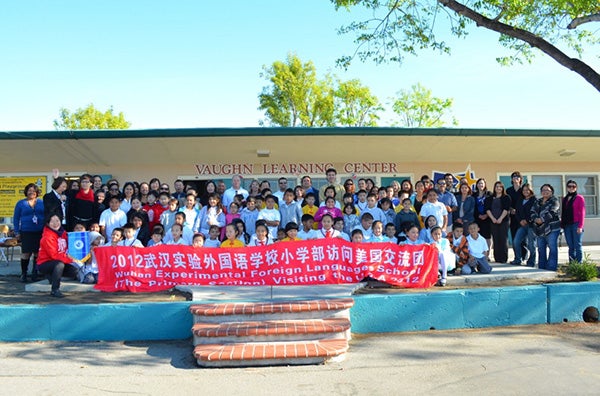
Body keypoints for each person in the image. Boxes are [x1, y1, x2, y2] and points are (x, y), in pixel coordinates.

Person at [36, 215, 82, 298]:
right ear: (48, 223)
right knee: (59, 265)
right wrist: (70, 260)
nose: (55, 223)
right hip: (45, 263)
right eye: (52, 221)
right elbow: (54, 255)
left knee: (74, 271)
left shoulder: (63, 233)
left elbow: (71, 245)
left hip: (59, 260)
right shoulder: (47, 237)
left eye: (57, 221)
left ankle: (51, 276)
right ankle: (55, 289)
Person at [13, 183, 45, 282]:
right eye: (29, 190)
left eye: (33, 191)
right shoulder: (21, 203)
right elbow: (16, 218)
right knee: (26, 253)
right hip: (26, 231)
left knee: (37, 253)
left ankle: (34, 273)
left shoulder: (41, 202)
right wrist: (17, 231)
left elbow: (46, 215)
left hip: (39, 231)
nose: (31, 192)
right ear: (26, 192)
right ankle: (24, 273)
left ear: (37, 192)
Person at [531, 184, 561, 271]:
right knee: (541, 249)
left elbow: (552, 212)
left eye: (547, 190)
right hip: (539, 229)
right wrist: (535, 219)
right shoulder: (538, 201)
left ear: (551, 191)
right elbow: (532, 211)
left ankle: (551, 268)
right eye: (543, 190)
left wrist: (542, 219)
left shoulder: (555, 201)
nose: (545, 192)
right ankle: (542, 267)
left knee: (552, 248)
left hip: (552, 229)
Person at [510, 183, 537, 266]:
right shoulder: (520, 200)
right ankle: (518, 259)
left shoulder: (534, 200)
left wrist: (528, 220)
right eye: (524, 190)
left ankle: (531, 261)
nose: (525, 191)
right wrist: (520, 220)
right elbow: (517, 212)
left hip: (531, 225)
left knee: (531, 245)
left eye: (527, 190)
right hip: (521, 225)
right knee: (516, 241)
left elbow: (535, 212)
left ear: (530, 191)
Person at [485, 181, 511, 263]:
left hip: (504, 221)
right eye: (497, 186)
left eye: (500, 187)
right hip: (493, 221)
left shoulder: (506, 197)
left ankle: (503, 258)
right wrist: (493, 218)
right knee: (495, 239)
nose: (498, 188)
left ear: (502, 188)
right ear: (494, 188)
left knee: (503, 239)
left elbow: (506, 209)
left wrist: (500, 218)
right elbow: (487, 209)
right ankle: (497, 258)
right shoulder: (489, 198)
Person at [561, 180, 586, 263]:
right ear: (567, 187)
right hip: (567, 225)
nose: (571, 188)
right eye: (569, 186)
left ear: (576, 188)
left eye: (573, 186)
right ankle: (572, 264)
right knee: (570, 246)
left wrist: (580, 226)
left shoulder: (579, 198)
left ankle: (579, 264)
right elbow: (563, 212)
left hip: (576, 224)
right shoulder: (564, 199)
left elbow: (582, 212)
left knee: (577, 245)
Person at [506, 171, 524, 257]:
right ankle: (517, 256)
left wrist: (518, 210)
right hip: (512, 217)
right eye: (514, 177)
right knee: (514, 237)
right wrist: (510, 209)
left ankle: (524, 255)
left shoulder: (523, 190)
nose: (515, 178)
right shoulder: (509, 190)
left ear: (520, 179)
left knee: (523, 238)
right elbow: (506, 203)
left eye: (517, 177)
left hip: (521, 217)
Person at [472, 178, 492, 248]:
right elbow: (473, 207)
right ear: (477, 185)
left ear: (485, 185)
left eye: (482, 183)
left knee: (487, 237)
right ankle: (479, 253)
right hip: (477, 218)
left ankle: (487, 255)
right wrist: (478, 215)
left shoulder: (489, 194)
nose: (481, 185)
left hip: (487, 218)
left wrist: (486, 215)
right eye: (479, 183)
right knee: (477, 236)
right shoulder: (473, 195)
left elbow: (492, 206)